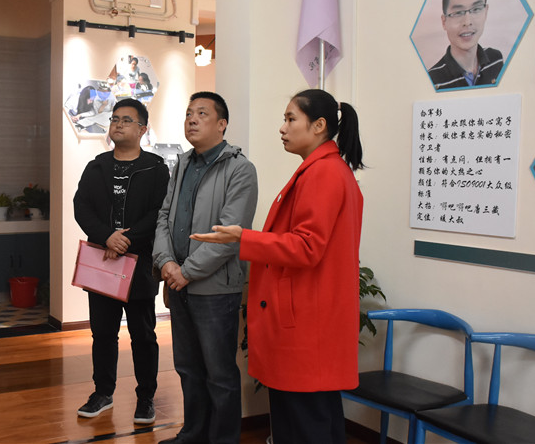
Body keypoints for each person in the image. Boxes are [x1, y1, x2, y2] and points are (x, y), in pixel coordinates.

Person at [191, 89, 364, 444]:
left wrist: (244, 238)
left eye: (290, 119)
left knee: (304, 425)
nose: (282, 128)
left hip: (307, 322)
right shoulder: (322, 169)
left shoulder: (324, 173)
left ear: (319, 125)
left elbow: (307, 247)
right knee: (312, 422)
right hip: (310, 318)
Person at [152, 91, 258, 444]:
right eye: (188, 114)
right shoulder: (182, 164)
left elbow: (230, 235)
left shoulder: (240, 169)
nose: (192, 120)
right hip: (177, 283)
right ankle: (193, 434)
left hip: (214, 289)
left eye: (201, 114)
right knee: (187, 368)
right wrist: (166, 262)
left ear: (222, 124)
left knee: (220, 375)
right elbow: (164, 216)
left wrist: (187, 272)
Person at [74, 98, 170, 424]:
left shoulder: (156, 168)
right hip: (102, 260)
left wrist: (124, 239)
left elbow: (159, 212)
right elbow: (81, 206)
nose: (117, 124)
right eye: (115, 119)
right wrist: (107, 237)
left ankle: (146, 398)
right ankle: (102, 393)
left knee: (143, 335)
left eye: (126, 120)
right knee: (102, 333)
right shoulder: (97, 166)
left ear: (142, 129)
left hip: (138, 263)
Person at [428, 0, 503, 90]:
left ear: (485, 12)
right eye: (458, 12)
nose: (467, 22)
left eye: (476, 9)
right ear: (444, 22)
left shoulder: (496, 59)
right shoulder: (432, 79)